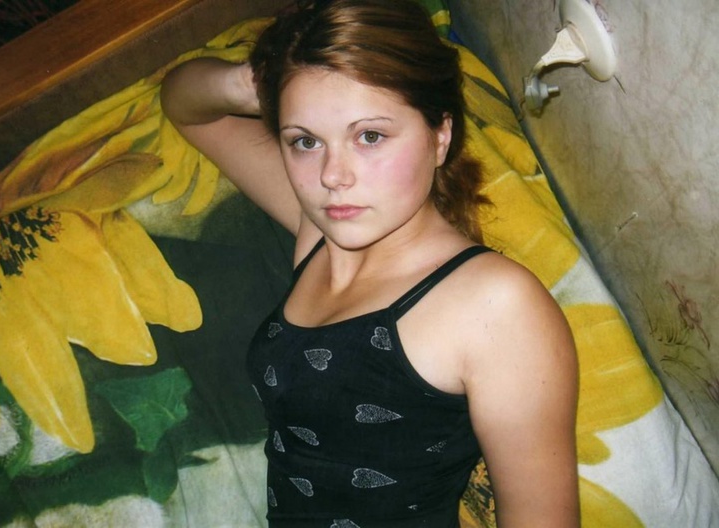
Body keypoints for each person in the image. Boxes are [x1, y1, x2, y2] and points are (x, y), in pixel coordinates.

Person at [161, 0, 579, 526]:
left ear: (440, 135)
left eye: (370, 136)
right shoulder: (323, 234)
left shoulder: (496, 305)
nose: (333, 175)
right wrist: (264, 82)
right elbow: (183, 101)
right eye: (305, 141)